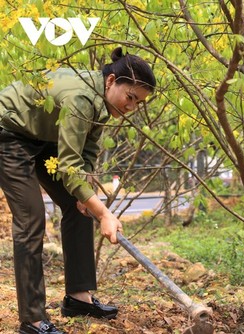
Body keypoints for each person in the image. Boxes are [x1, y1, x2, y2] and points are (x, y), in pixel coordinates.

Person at [0, 47, 156, 334]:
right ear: (111, 81)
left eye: (139, 102)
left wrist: (86, 197)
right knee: (32, 218)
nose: (131, 106)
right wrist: (104, 212)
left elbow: (86, 153)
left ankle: (78, 298)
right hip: (9, 133)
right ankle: (32, 320)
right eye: (130, 97)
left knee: (80, 203)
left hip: (45, 136)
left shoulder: (103, 103)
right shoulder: (82, 99)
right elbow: (70, 165)